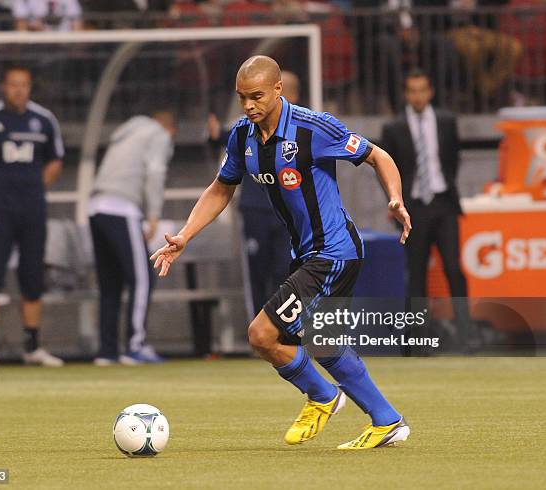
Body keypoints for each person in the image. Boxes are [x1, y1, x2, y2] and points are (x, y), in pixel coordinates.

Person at [151, 56, 412, 450]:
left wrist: (394, 198)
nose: (249, 105)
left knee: (262, 334)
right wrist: (185, 235)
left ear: (278, 90)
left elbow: (377, 155)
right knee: (324, 342)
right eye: (242, 98)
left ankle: (323, 397)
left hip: (334, 251)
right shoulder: (242, 136)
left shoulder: (313, 127)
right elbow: (221, 187)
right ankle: (387, 421)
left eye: (256, 96)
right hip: (308, 253)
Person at [0, 65, 64, 369]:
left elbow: (55, 160)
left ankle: (33, 345)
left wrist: (35, 187)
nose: (19, 90)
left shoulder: (44, 120)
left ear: (30, 87)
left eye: (24, 85)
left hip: (32, 209)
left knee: (32, 275)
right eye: (13, 84)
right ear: (3, 87)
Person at [381, 68, 470, 340]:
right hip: (413, 208)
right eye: (412, 90)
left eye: (422, 90)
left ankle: (468, 333)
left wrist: (443, 186)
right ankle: (419, 338)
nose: (418, 96)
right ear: (406, 94)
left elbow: (452, 158)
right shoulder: (393, 128)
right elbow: (387, 169)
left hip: (443, 203)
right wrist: (396, 201)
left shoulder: (446, 121)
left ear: (430, 92)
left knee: (453, 268)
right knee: (416, 273)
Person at [207, 70, 298, 319]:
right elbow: (227, 137)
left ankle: (285, 329)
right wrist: (215, 135)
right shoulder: (249, 125)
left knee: (287, 269)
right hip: (256, 208)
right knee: (258, 271)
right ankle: (258, 330)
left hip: (290, 213)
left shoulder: (304, 126)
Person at [89, 112, 175, 366]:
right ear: (171, 129)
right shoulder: (158, 134)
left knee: (110, 284)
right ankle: (135, 345)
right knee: (142, 279)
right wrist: (154, 214)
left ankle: (107, 351)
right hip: (122, 207)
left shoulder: (126, 131)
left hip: (96, 207)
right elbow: (156, 172)